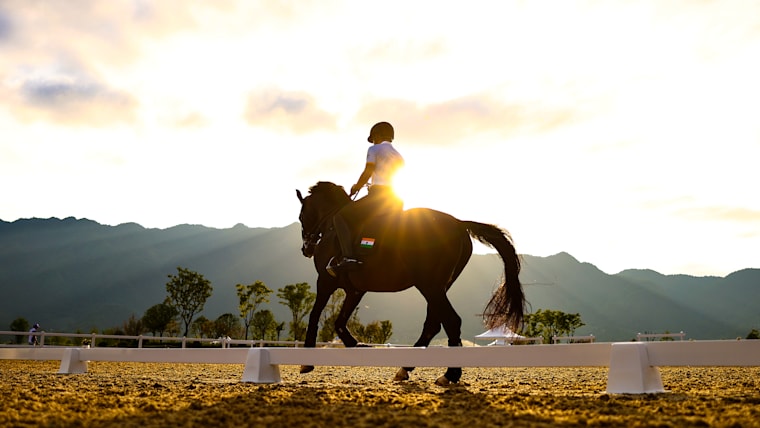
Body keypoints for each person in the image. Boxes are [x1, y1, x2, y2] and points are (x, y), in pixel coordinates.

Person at [332, 121, 405, 271]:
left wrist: (356, 187)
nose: (373, 141)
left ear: (377, 135)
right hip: (396, 198)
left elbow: (368, 171)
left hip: (379, 197)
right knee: (370, 224)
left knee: (339, 217)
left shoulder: (374, 149)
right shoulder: (399, 156)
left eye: (373, 138)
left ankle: (348, 257)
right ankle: (367, 245)